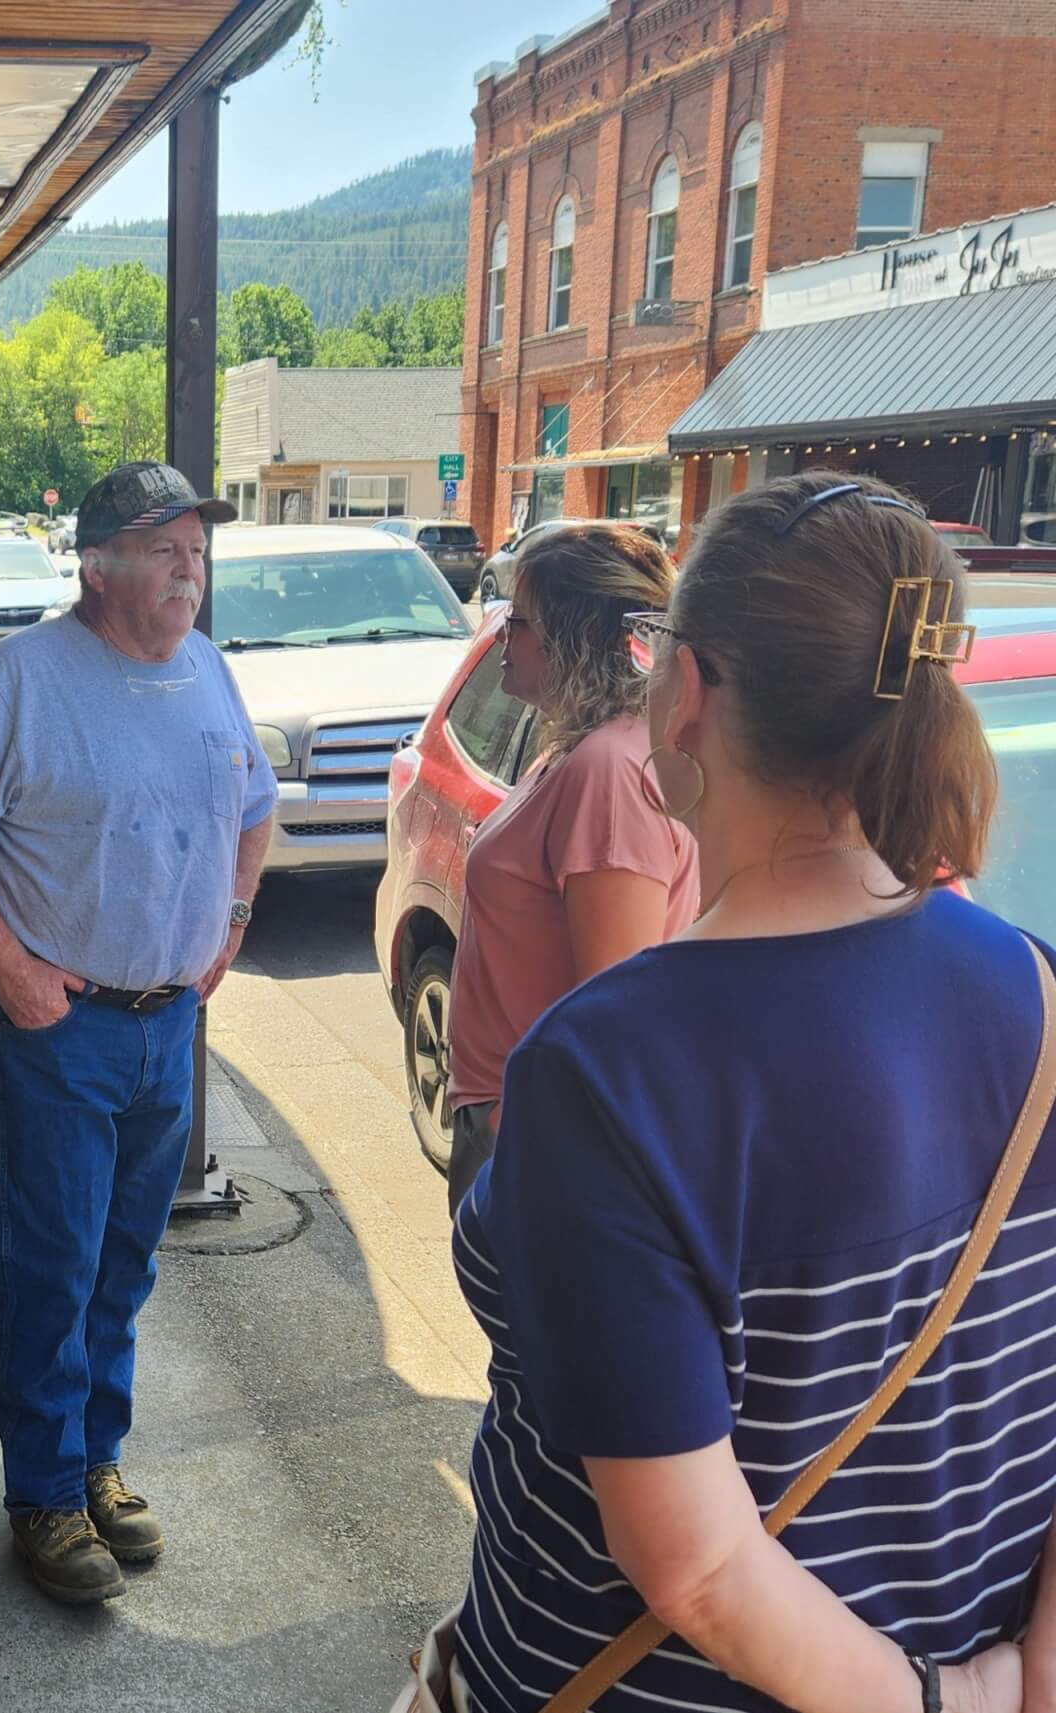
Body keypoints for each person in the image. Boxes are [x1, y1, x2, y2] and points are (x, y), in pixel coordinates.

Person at [446, 473, 1048, 1713]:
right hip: (966, 1641)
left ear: (690, 692)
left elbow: (697, 1567)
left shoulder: (605, 1071)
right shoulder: (1034, 992)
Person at [0, 462, 275, 1605]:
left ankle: (96, 1462)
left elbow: (251, 806)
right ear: (97, 564)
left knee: (125, 1264)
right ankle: (42, 1496)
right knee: (52, 1267)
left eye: (196, 548)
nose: (188, 569)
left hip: (166, 1028)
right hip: (55, 1029)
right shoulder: (18, 682)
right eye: (164, 548)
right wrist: (6, 968)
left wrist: (234, 916)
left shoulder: (205, 668)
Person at [443, 522, 698, 1213]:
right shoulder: (582, 752)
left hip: (536, 1141)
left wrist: (513, 1128)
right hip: (515, 1120)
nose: (500, 634)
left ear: (571, 634)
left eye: (518, 620)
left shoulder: (609, 771)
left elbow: (619, 1009)